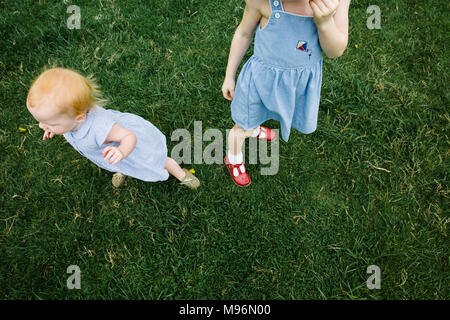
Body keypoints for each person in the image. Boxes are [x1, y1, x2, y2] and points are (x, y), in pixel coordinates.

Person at [222, 0, 350, 186]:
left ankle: (254, 126)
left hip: (296, 86)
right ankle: (233, 159)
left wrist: (324, 22)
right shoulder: (261, 2)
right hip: (260, 83)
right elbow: (243, 33)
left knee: (259, 116)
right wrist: (229, 76)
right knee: (242, 126)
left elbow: (335, 51)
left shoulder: (336, 1)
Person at [26, 67, 200, 189]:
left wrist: (122, 152)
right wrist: (53, 127)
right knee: (118, 162)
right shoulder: (70, 121)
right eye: (43, 122)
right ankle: (122, 168)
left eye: (50, 124)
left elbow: (129, 137)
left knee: (159, 160)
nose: (42, 126)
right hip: (112, 152)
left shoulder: (99, 127)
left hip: (133, 148)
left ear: (79, 117)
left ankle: (181, 174)